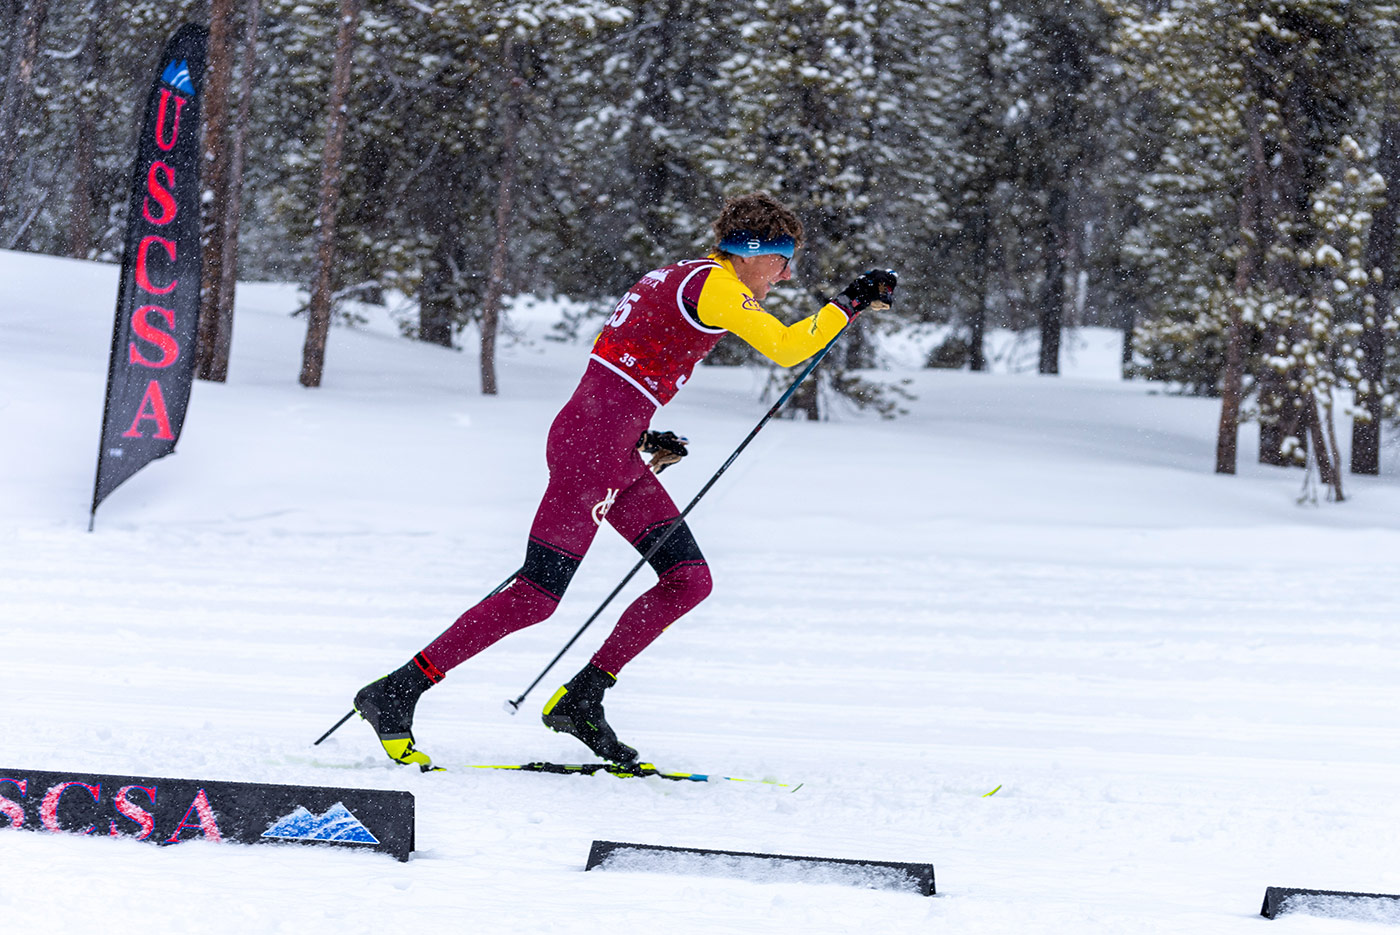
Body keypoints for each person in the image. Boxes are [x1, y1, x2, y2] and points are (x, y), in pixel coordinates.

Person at [352, 191, 896, 770]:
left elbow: (624, 367)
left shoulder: (679, 277)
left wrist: (640, 439)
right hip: (595, 449)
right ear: (751, 252)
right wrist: (850, 302)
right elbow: (788, 348)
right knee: (538, 594)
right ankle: (398, 690)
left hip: (608, 444)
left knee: (688, 579)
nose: (786, 276)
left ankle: (583, 697)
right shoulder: (715, 284)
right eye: (782, 261)